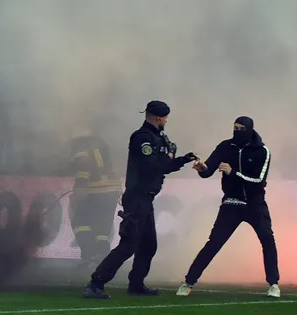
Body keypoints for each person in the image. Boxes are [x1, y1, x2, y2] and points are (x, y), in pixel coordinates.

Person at [83, 101, 198, 299]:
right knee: (129, 245)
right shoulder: (142, 138)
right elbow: (151, 166)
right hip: (137, 197)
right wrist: (170, 156)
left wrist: (182, 160)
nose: (166, 121)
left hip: (145, 199)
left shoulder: (157, 137)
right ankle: (96, 283)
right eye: (165, 118)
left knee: (148, 245)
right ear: (159, 118)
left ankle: (136, 284)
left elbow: (163, 166)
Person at [178, 116, 280, 298]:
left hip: (255, 204)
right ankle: (188, 282)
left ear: (249, 130)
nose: (237, 132)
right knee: (214, 242)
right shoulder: (225, 147)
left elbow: (258, 181)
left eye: (241, 129)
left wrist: (233, 173)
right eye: (235, 128)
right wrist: (202, 168)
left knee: (267, 239)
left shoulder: (262, 151)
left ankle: (273, 284)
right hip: (231, 203)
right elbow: (209, 169)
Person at [68, 123, 121, 267]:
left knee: (80, 222)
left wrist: (81, 185)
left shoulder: (80, 144)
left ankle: (89, 254)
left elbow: (83, 166)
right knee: (102, 226)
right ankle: (103, 257)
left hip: (95, 189)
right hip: (112, 189)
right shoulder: (100, 143)